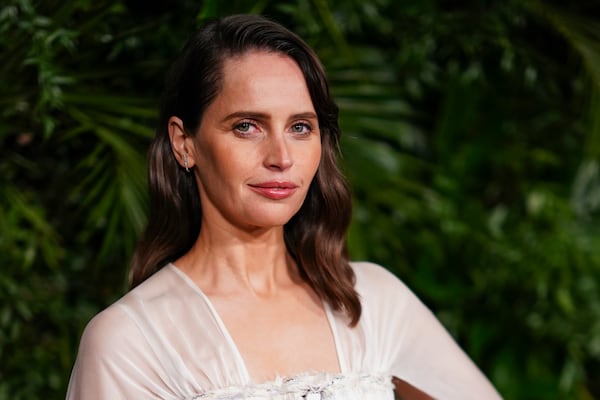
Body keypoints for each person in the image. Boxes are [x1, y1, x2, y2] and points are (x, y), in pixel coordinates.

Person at [66, 14, 501, 400]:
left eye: (299, 127)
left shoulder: (373, 302)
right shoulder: (131, 341)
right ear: (185, 143)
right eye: (247, 126)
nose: (281, 157)